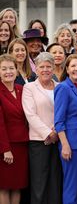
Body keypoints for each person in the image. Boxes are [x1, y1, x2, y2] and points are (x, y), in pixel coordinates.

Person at [22, 52, 61, 204]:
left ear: (53, 68)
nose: (45, 70)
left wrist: (57, 132)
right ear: (36, 69)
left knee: (55, 181)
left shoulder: (60, 87)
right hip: (39, 142)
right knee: (39, 183)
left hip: (58, 139)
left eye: (48, 66)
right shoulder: (29, 88)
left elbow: (63, 112)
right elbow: (30, 115)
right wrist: (48, 133)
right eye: (42, 67)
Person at [54, 54, 77, 204]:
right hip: (71, 144)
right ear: (67, 69)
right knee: (71, 186)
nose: (76, 69)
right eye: (73, 66)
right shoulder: (63, 87)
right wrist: (65, 145)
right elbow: (58, 120)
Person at [0, 54, 29, 204]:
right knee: (4, 187)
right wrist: (5, 149)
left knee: (18, 186)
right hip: (6, 146)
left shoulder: (22, 89)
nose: (8, 72)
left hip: (22, 145)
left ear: (17, 71)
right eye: (4, 69)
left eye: (11, 68)